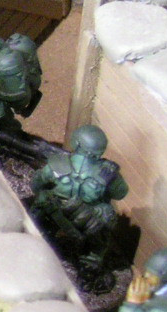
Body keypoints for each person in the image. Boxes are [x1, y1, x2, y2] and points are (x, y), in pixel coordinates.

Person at [30, 123, 130, 288]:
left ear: (76, 143)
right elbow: (121, 193)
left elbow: (35, 186)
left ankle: (35, 239)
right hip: (86, 223)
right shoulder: (107, 174)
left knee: (42, 199)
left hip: (54, 215)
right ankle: (88, 268)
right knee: (106, 213)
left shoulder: (56, 164)